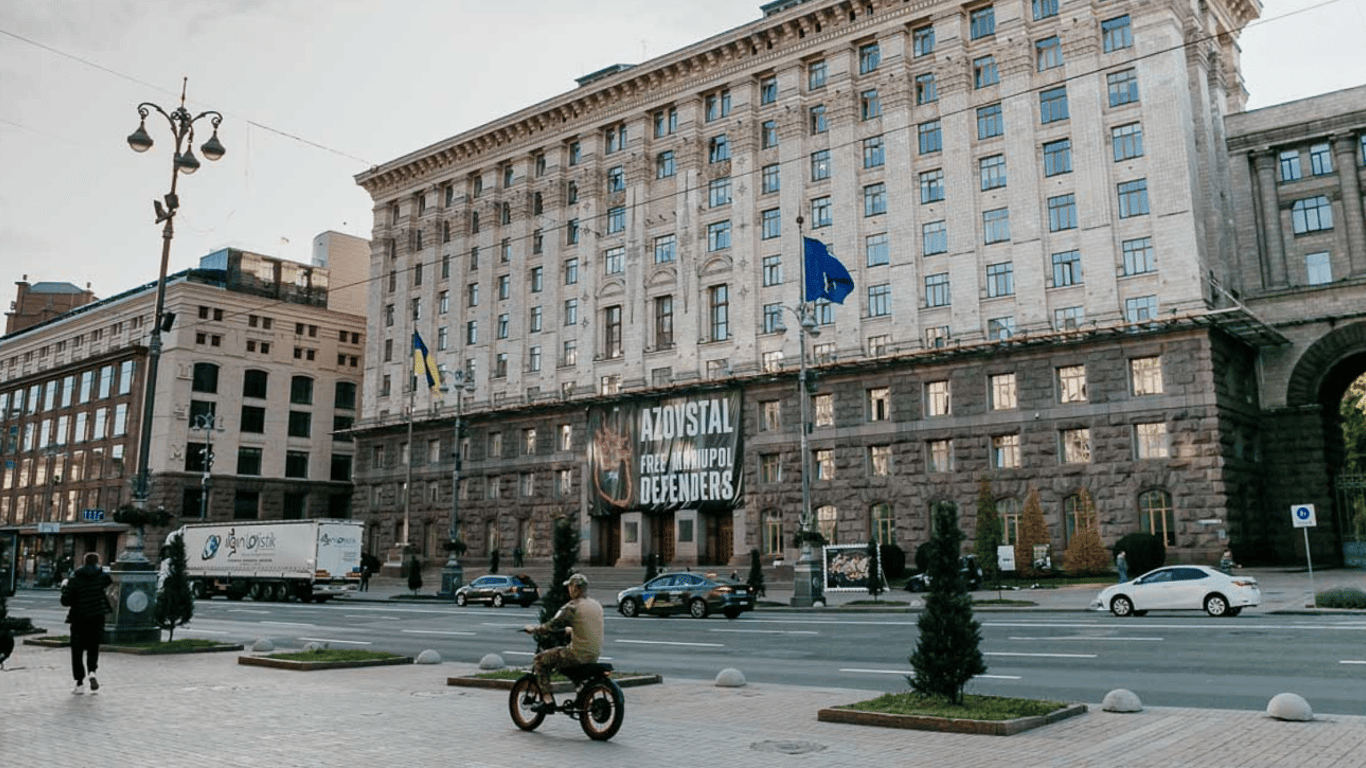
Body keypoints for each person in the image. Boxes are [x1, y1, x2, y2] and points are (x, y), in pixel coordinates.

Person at [523, 573, 604, 712]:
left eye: (569, 587)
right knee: (564, 663)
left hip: (577, 655)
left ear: (574, 588)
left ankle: (547, 701)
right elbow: (587, 626)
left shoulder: (571, 607)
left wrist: (534, 629)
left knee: (540, 660)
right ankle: (580, 688)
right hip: (594, 654)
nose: (568, 590)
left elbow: (551, 625)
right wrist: (571, 630)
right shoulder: (596, 605)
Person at [60, 552, 112, 695]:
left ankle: (79, 683)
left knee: (77, 651)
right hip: (97, 617)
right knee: (93, 647)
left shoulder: (75, 579)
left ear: (83, 562)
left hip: (79, 618)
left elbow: (65, 601)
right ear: (97, 562)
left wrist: (64, 587)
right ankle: (92, 672)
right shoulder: (101, 577)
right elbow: (108, 581)